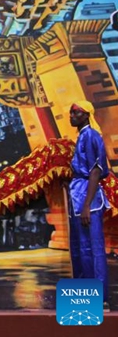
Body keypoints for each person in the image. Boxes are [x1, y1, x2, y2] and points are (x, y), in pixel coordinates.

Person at [67, 101, 110, 309]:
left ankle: (100, 299)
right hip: (79, 194)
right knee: (80, 249)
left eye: (76, 112)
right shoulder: (81, 136)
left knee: (93, 249)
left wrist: (87, 205)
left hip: (88, 198)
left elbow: (95, 170)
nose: (72, 115)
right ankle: (84, 297)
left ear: (86, 115)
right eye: (71, 112)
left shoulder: (92, 136)